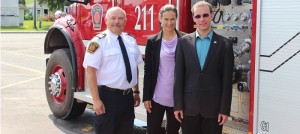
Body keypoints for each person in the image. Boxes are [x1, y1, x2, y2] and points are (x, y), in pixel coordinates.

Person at [173, 1, 234, 134]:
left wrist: (224, 109)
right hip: (189, 108)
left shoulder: (225, 44)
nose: (202, 19)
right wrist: (178, 105)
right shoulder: (183, 42)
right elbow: (178, 76)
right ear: (193, 18)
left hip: (213, 110)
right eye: (198, 16)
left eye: (205, 15)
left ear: (212, 16)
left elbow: (226, 80)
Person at [83, 7, 143, 134]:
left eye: (121, 18)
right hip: (107, 98)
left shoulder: (130, 40)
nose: (117, 21)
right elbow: (91, 72)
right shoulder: (98, 42)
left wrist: (136, 91)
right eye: (113, 18)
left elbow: (134, 67)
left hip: (127, 99)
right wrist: (96, 100)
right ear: (106, 20)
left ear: (125, 21)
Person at [143, 4, 185, 134]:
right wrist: (146, 97)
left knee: (173, 131)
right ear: (160, 19)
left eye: (172, 19)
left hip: (177, 99)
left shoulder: (185, 39)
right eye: (166, 19)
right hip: (157, 98)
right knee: (153, 130)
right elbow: (148, 70)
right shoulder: (152, 41)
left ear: (176, 19)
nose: (169, 22)